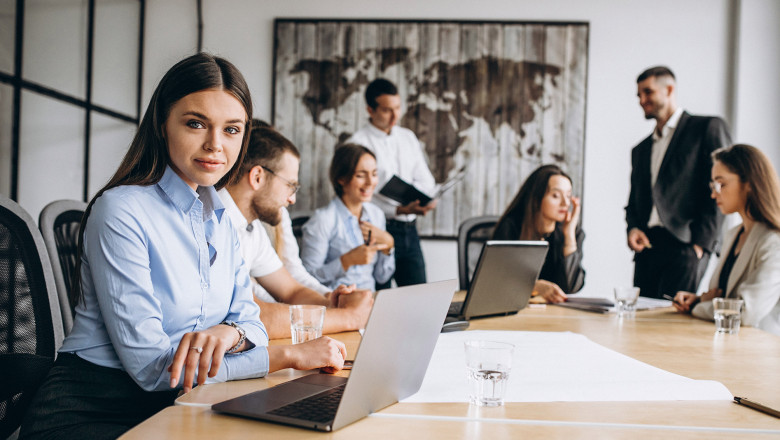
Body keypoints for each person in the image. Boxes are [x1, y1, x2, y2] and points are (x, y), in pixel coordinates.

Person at [19, 53, 345, 440]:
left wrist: (231, 334)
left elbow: (250, 321)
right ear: (162, 124)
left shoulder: (221, 217)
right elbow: (155, 369)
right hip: (92, 412)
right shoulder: (121, 210)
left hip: (183, 404)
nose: (214, 145)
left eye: (231, 130)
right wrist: (287, 355)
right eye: (195, 123)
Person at [219, 123, 373, 339]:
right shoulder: (213, 225)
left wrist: (331, 303)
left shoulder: (252, 229)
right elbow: (250, 318)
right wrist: (349, 317)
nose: (292, 199)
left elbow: (291, 290)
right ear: (257, 177)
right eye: (290, 185)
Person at [625, 66, 731, 299]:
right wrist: (633, 227)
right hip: (647, 250)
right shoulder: (640, 150)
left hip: (686, 246)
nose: (642, 100)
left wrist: (701, 246)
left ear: (669, 89)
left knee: (673, 326)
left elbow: (724, 185)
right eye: (639, 95)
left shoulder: (706, 128)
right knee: (641, 326)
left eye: (648, 92)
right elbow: (634, 200)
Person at [673, 144, 780, 335]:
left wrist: (698, 308)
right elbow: (723, 299)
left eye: (721, 184)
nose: (714, 194)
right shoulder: (733, 235)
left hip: (761, 351)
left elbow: (745, 312)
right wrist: (699, 300)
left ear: (749, 184)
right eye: (713, 185)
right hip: (727, 343)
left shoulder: (774, 242)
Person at [347, 78, 436, 288]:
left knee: (420, 295)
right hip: (376, 230)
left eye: (398, 108)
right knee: (381, 299)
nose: (396, 116)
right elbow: (357, 197)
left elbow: (426, 180)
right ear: (370, 109)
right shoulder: (356, 143)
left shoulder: (408, 137)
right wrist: (399, 209)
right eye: (387, 110)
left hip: (410, 232)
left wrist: (422, 202)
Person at [301, 144, 395, 291]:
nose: (371, 182)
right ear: (342, 179)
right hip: (335, 304)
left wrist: (389, 245)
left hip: (369, 302)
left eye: (374, 174)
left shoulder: (377, 215)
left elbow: (382, 276)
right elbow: (306, 279)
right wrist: (346, 261)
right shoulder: (322, 221)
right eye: (361, 175)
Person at [492, 164, 585, 303]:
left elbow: (571, 287)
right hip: (515, 313)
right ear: (537, 197)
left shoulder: (571, 232)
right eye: (555, 195)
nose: (565, 203)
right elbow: (496, 282)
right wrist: (534, 286)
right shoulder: (511, 227)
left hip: (555, 318)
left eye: (568, 196)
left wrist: (569, 235)